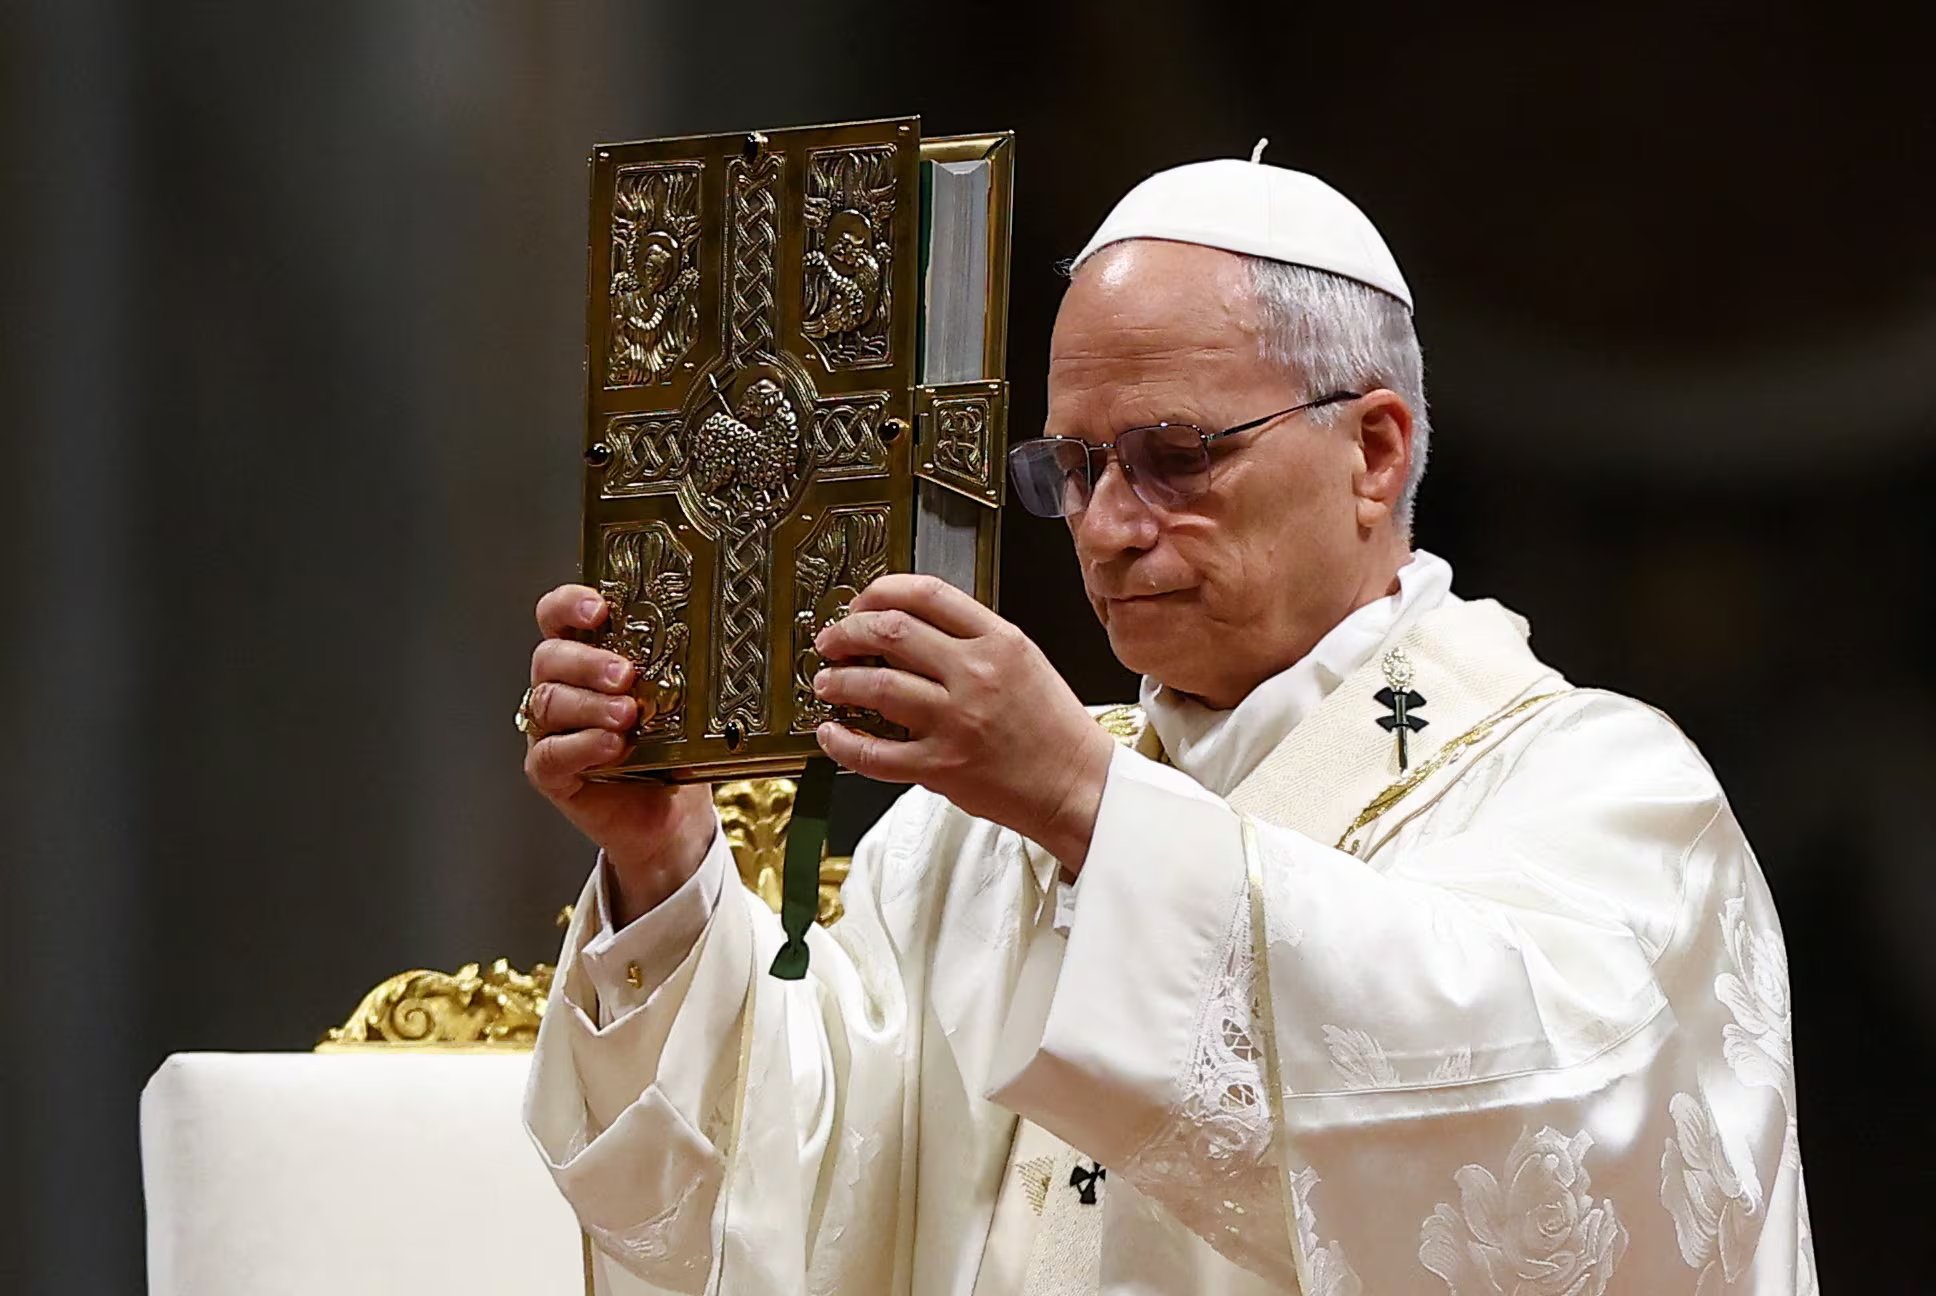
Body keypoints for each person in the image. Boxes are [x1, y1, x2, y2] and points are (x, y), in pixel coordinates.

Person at [517, 153, 1814, 1295]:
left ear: (1373, 450)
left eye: (1178, 457)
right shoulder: (964, 842)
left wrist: (1088, 805)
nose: (1109, 524)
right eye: (1073, 468)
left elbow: (1546, 1170)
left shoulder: (1598, 790)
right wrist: (664, 862)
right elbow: (785, 1211)